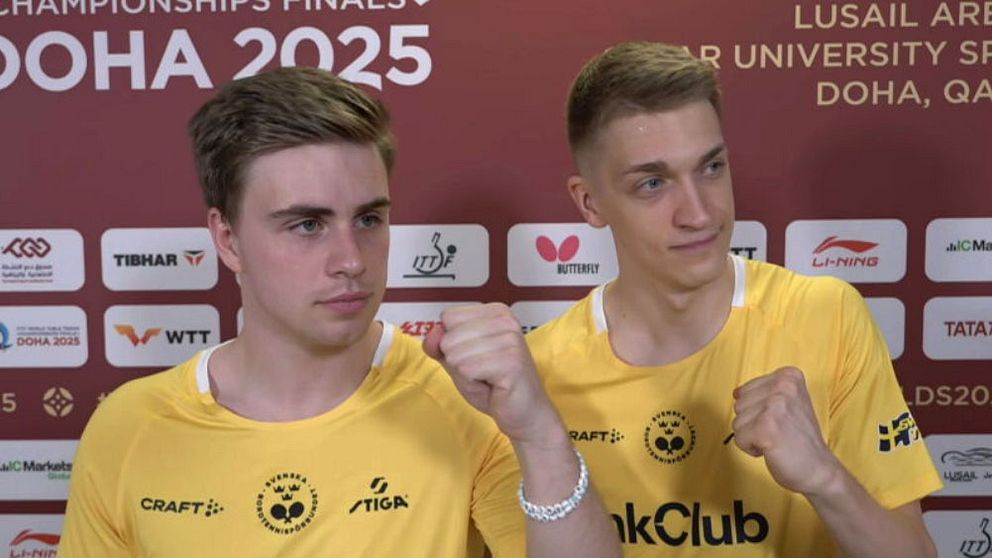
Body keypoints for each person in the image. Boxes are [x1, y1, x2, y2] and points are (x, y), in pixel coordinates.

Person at [58, 67, 619, 558]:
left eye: (369, 220)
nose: (351, 260)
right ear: (228, 240)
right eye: (308, 225)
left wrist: (540, 436)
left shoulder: (462, 402)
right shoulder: (129, 428)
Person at [527, 41, 942, 557]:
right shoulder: (539, 376)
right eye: (653, 183)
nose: (699, 213)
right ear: (590, 203)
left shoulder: (827, 316)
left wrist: (823, 477)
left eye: (711, 168)